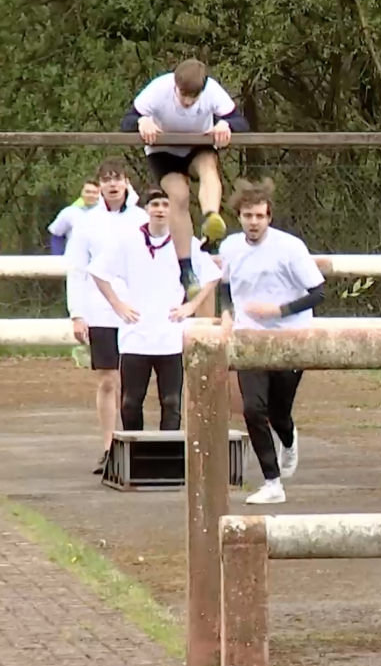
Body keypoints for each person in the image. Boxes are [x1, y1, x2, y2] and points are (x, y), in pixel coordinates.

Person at [217, 178, 326, 505]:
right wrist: (226, 313)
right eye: (248, 216)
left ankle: (289, 441)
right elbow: (225, 285)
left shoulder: (290, 248)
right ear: (239, 216)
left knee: (279, 414)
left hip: (290, 337)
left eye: (260, 216)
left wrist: (277, 309)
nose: (254, 222)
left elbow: (318, 293)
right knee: (253, 408)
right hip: (249, 337)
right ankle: (272, 482)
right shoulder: (230, 247)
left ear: (269, 216)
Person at [88, 187, 221, 434]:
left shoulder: (185, 244)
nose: (160, 210)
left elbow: (212, 276)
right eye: (155, 205)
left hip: (169, 337)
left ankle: (168, 461)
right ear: (147, 209)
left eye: (165, 205)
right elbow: (97, 271)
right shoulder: (128, 241)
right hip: (135, 337)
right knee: (130, 403)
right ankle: (136, 460)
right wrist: (118, 305)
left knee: (171, 402)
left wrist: (191, 306)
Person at [120, 58, 250, 300]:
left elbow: (240, 121)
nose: (188, 102)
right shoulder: (159, 89)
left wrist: (225, 125)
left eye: (194, 97)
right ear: (175, 86)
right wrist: (142, 121)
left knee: (209, 167)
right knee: (178, 196)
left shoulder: (212, 90)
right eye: (184, 96)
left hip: (197, 145)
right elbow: (126, 121)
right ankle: (186, 269)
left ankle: (211, 218)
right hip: (163, 150)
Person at [66, 159, 149, 474]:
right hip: (99, 310)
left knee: (133, 383)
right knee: (107, 380)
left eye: (118, 179)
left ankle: (135, 445)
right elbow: (76, 268)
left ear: (127, 182)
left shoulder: (142, 218)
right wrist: (77, 313)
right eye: (106, 180)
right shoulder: (87, 223)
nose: (113, 185)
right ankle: (108, 446)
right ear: (98, 185)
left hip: (135, 311)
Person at [48, 179, 101, 255]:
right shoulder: (69, 212)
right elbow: (57, 236)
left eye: (95, 193)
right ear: (81, 192)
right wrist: (58, 258)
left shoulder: (108, 214)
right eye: (87, 192)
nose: (91, 195)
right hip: (74, 261)